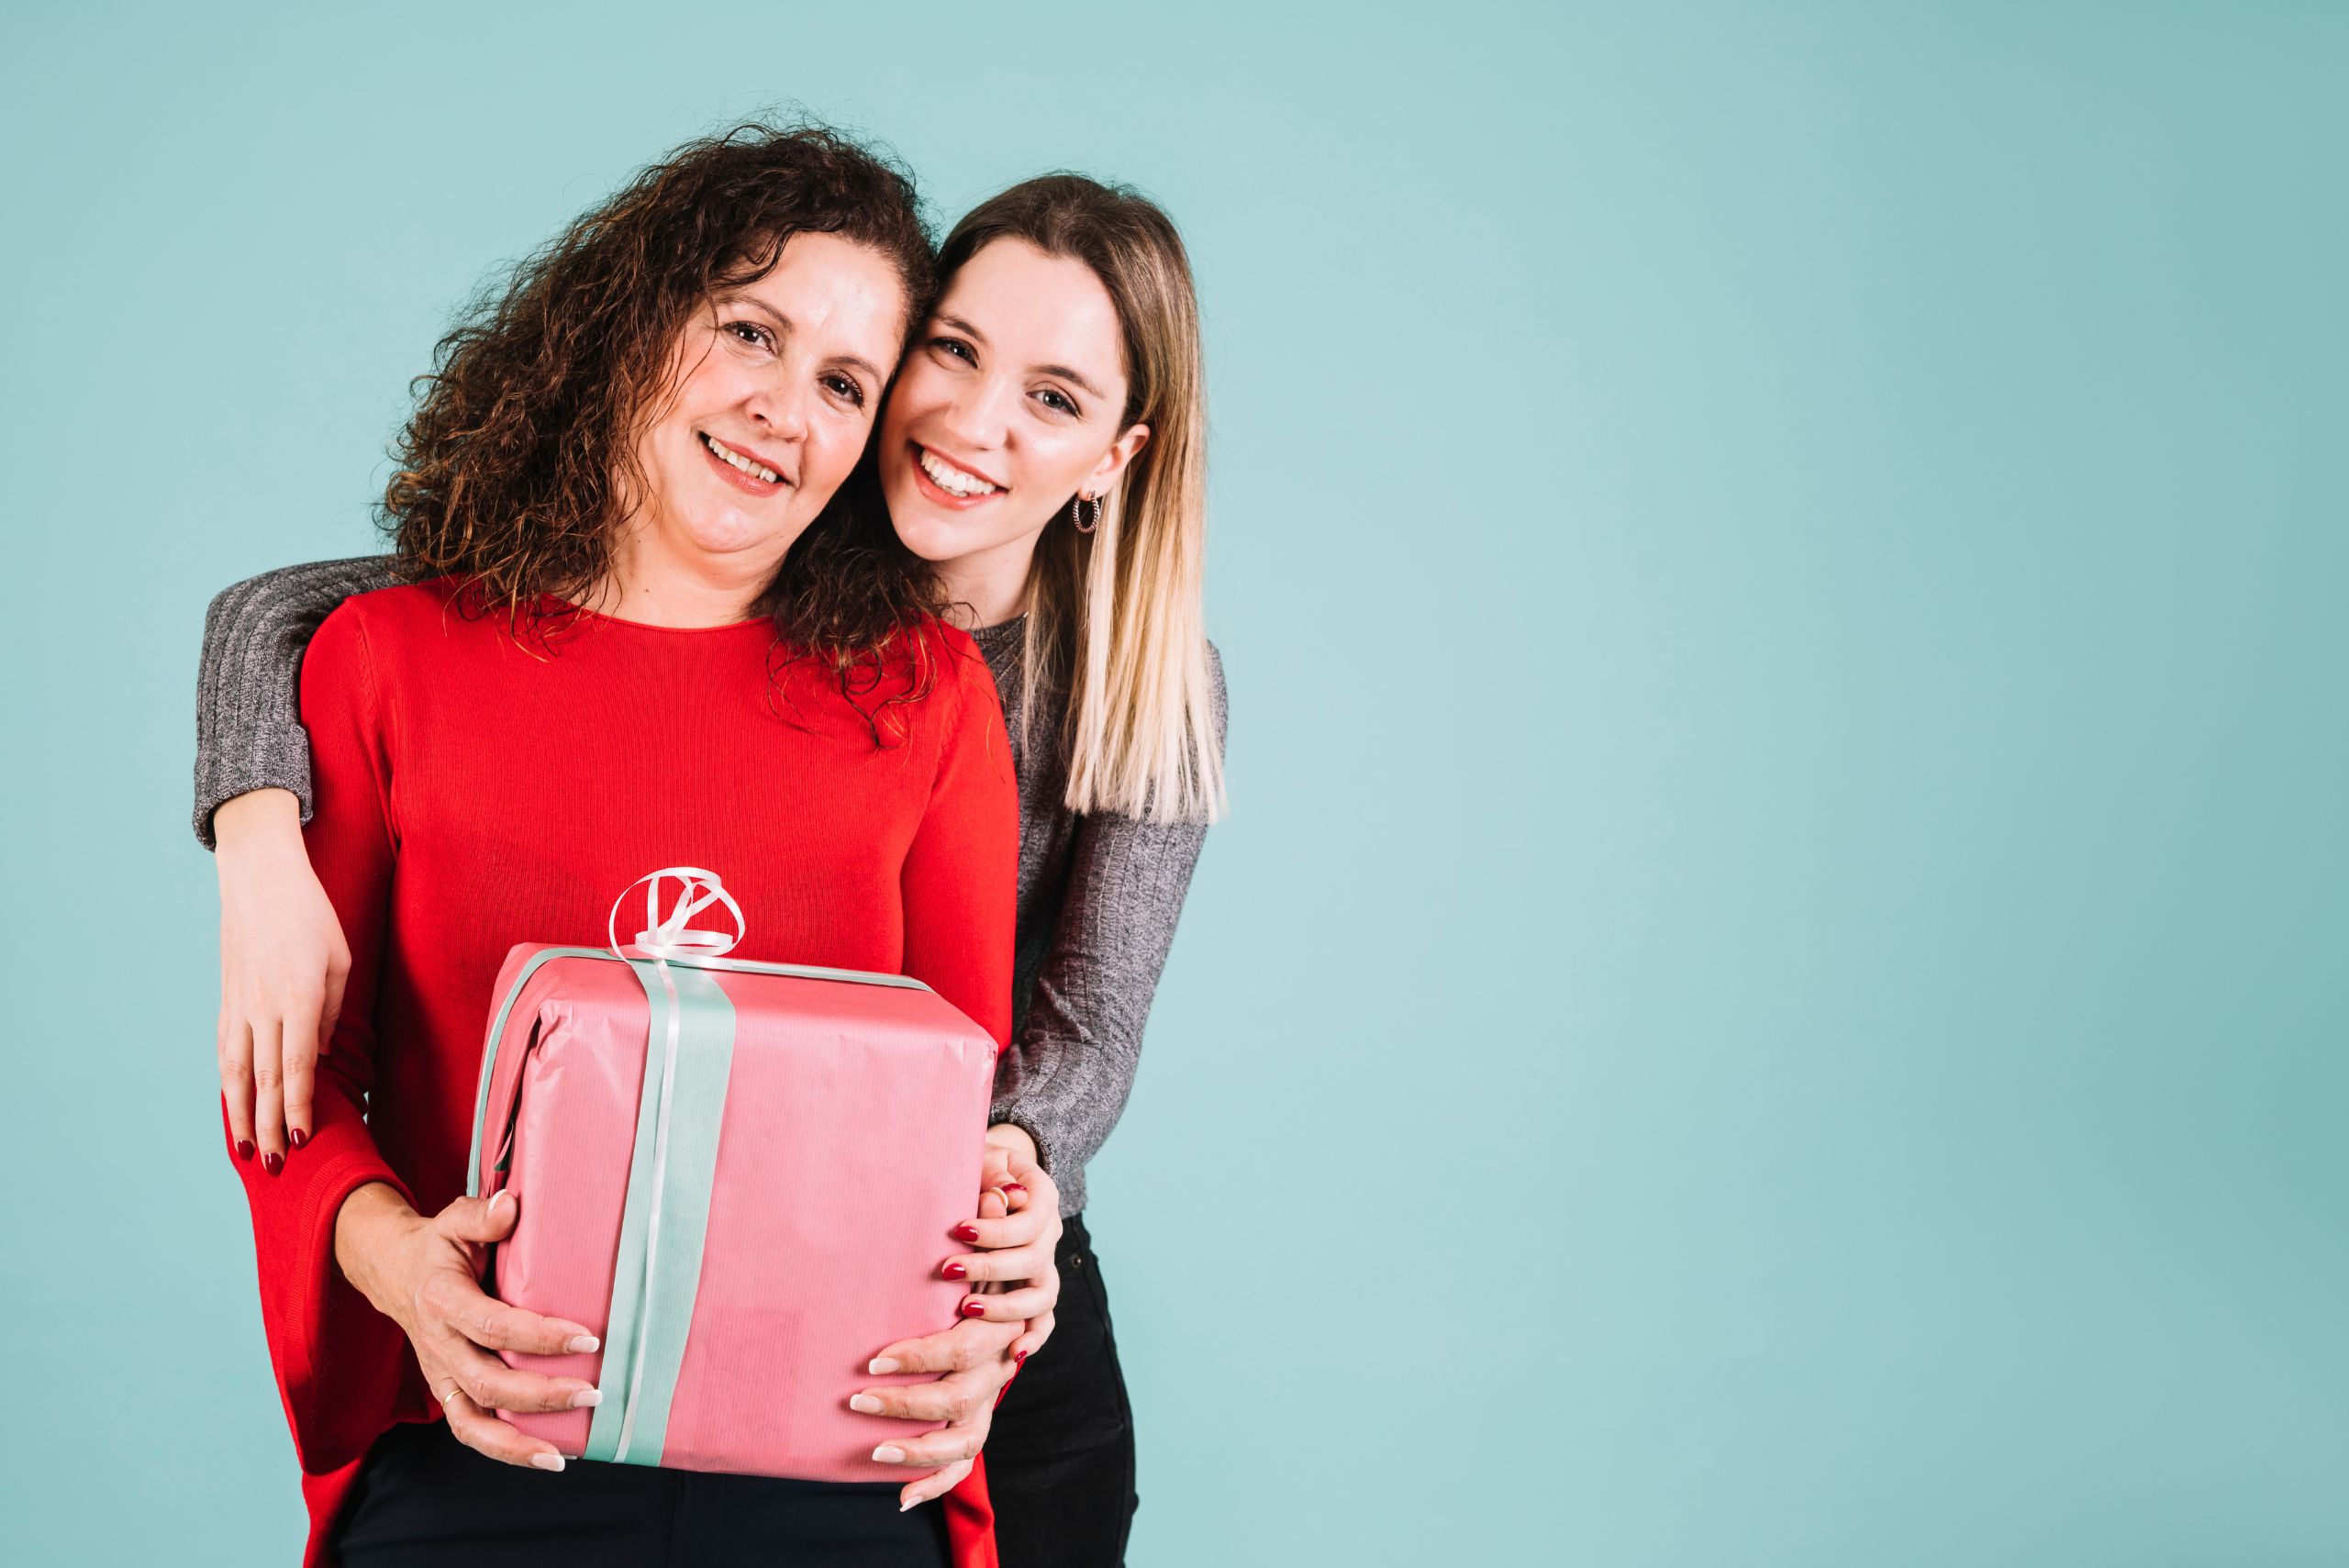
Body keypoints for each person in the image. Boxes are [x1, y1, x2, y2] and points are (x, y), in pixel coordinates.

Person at [199, 172, 1226, 1567]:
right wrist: (251, 822)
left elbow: (1032, 1049)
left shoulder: (991, 694)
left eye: (842, 378)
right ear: (635, 324)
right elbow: (316, 612)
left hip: (935, 1321)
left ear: (1117, 454)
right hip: (498, 1429)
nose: (975, 425)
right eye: (752, 332)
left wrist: (1014, 1202)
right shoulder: (401, 650)